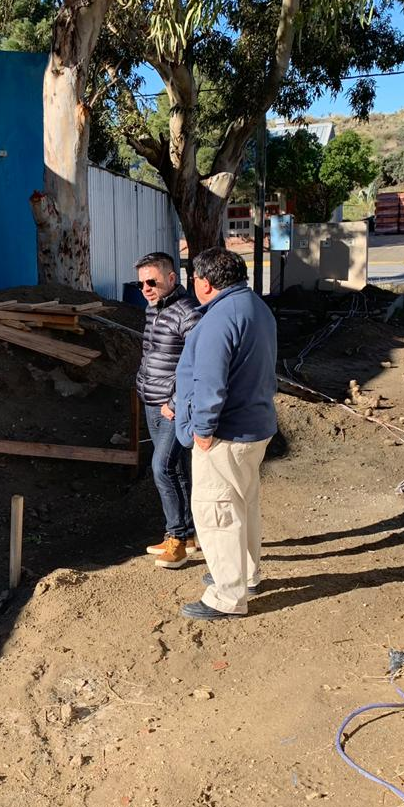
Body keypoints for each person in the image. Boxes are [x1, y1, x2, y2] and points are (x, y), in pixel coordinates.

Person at [174, 247, 277, 619]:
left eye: (194, 279)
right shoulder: (255, 307)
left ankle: (228, 596)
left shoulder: (220, 319)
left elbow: (211, 383)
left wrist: (201, 428)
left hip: (225, 433)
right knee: (243, 505)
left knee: (216, 511)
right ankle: (245, 575)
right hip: (253, 426)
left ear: (204, 282)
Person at [134, 251, 201, 570]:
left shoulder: (187, 311)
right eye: (141, 284)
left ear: (172, 278)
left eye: (152, 281)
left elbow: (197, 363)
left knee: (161, 467)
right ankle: (187, 534)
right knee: (174, 469)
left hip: (173, 407)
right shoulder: (152, 309)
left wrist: (175, 402)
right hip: (151, 401)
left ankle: (176, 540)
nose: (146, 288)